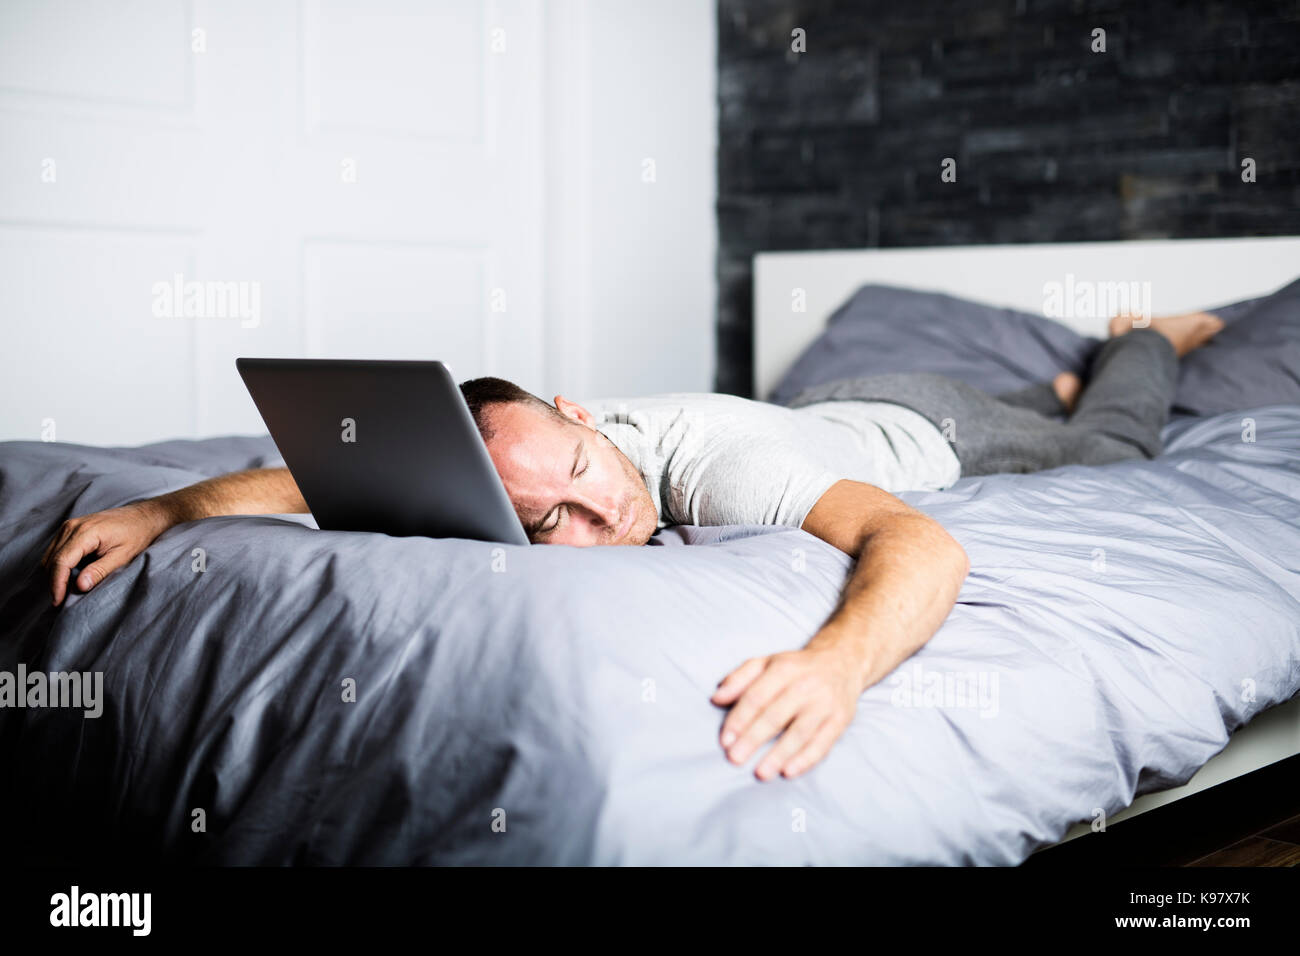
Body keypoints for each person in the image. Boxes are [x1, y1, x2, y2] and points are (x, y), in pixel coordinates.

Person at [41, 308, 1224, 780]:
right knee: (1040, 399)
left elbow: (917, 543)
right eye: (546, 517)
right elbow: (338, 465)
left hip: (931, 431)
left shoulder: (722, 470)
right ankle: (1058, 374)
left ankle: (1138, 343)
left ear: (586, 419)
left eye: (584, 477)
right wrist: (171, 508)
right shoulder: (540, 440)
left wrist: (836, 664)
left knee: (1108, 436)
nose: (598, 514)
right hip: (845, 402)